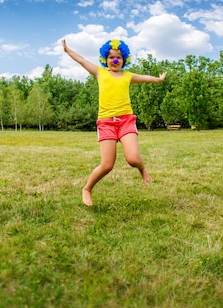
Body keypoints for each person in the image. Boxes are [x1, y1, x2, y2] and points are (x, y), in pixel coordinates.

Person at [62, 38, 167, 206]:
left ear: (124, 59)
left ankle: (143, 170)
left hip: (126, 120)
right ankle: (87, 189)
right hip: (106, 123)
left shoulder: (128, 76)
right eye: (111, 57)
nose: (115, 60)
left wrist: (158, 79)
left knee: (133, 159)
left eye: (118, 57)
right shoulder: (100, 73)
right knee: (107, 165)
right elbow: (82, 60)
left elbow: (145, 78)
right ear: (105, 59)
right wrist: (68, 50)